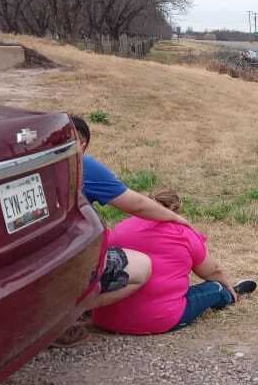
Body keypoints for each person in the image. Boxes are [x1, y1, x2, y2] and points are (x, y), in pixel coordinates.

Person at [53, 116, 193, 346]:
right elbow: (135, 204)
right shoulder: (82, 166)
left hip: (31, 261)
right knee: (141, 267)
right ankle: (67, 316)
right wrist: (175, 218)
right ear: (82, 145)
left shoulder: (29, 168)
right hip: (68, 261)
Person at [92, 188, 258, 335]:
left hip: (105, 318)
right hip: (158, 319)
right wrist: (226, 283)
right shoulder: (182, 233)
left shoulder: (121, 227)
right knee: (214, 287)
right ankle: (230, 294)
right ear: (175, 210)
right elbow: (212, 271)